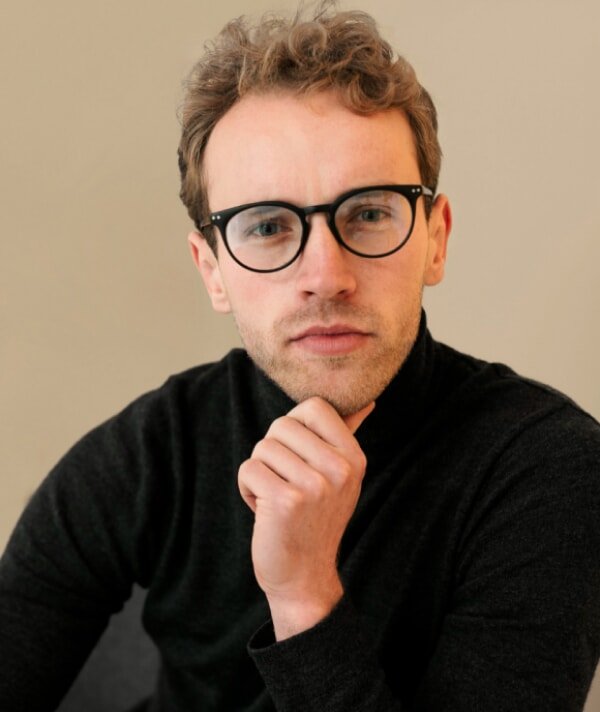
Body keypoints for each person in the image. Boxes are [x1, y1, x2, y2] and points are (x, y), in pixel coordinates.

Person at [1, 5, 599, 712]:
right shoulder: (154, 450)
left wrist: (303, 596)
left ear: (435, 241)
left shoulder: (549, 469)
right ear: (212, 270)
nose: (326, 275)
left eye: (369, 213)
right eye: (267, 226)